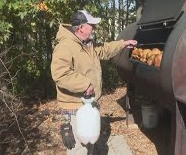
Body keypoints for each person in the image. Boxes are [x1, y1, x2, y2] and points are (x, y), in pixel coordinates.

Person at [51, 9, 137, 154]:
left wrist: (123, 44)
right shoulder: (65, 46)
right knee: (79, 149)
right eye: (92, 25)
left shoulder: (87, 44)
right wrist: (85, 84)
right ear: (81, 27)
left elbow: (104, 49)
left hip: (88, 104)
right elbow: (60, 74)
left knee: (89, 144)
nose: (95, 28)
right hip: (75, 107)